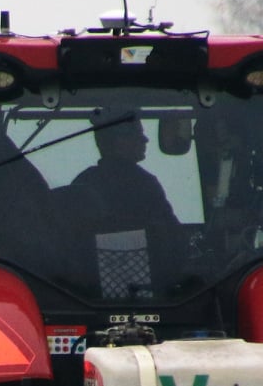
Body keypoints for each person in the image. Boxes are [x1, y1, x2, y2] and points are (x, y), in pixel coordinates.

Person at [56, 114, 184, 299]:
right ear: (118, 141)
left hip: (87, 296)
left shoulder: (83, 182)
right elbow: (174, 241)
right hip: (147, 295)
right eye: (137, 134)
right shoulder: (144, 184)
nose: (145, 140)